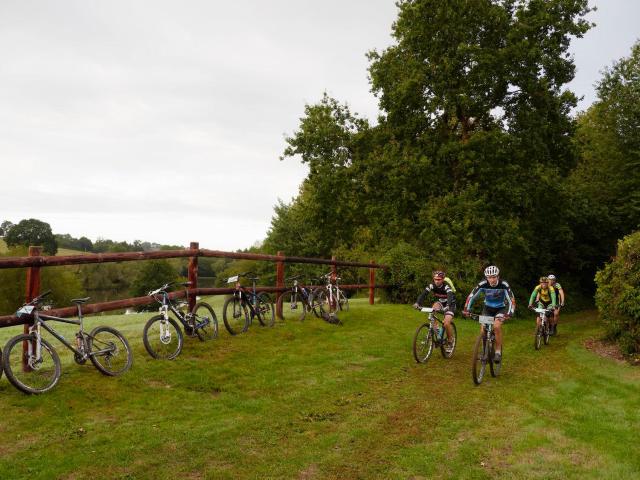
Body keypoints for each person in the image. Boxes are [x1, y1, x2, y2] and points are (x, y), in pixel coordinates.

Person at [462, 265, 516, 364]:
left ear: (498, 276)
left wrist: (509, 313)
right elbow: (472, 296)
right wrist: (466, 309)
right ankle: (485, 352)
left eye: (494, 277)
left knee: (496, 326)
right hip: (487, 308)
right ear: (486, 278)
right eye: (489, 277)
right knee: (483, 329)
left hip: (501, 308)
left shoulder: (504, 284)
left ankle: (498, 351)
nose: (492, 280)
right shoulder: (483, 284)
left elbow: (511, 300)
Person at [413, 271, 456, 350]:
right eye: (435, 279)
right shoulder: (431, 285)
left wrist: (447, 306)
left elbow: (450, 296)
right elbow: (423, 294)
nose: (437, 281)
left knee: (446, 323)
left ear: (443, 279)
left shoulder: (446, 286)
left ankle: (450, 341)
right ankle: (437, 333)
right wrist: (417, 303)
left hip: (450, 304)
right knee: (432, 312)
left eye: (439, 279)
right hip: (440, 302)